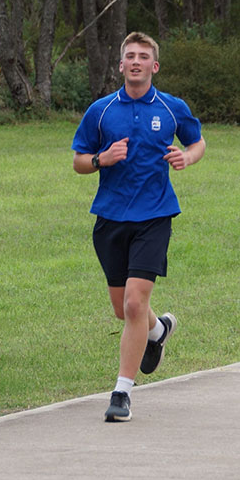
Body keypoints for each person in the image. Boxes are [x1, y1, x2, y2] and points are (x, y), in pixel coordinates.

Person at [71, 32, 206, 422]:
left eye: (143, 56)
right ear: (120, 65)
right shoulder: (100, 110)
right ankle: (158, 331)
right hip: (110, 218)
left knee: (134, 303)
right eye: (129, 56)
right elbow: (79, 160)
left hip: (155, 215)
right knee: (123, 309)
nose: (135, 62)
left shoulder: (172, 106)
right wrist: (102, 159)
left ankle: (121, 393)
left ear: (154, 66)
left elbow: (197, 143)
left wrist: (187, 158)